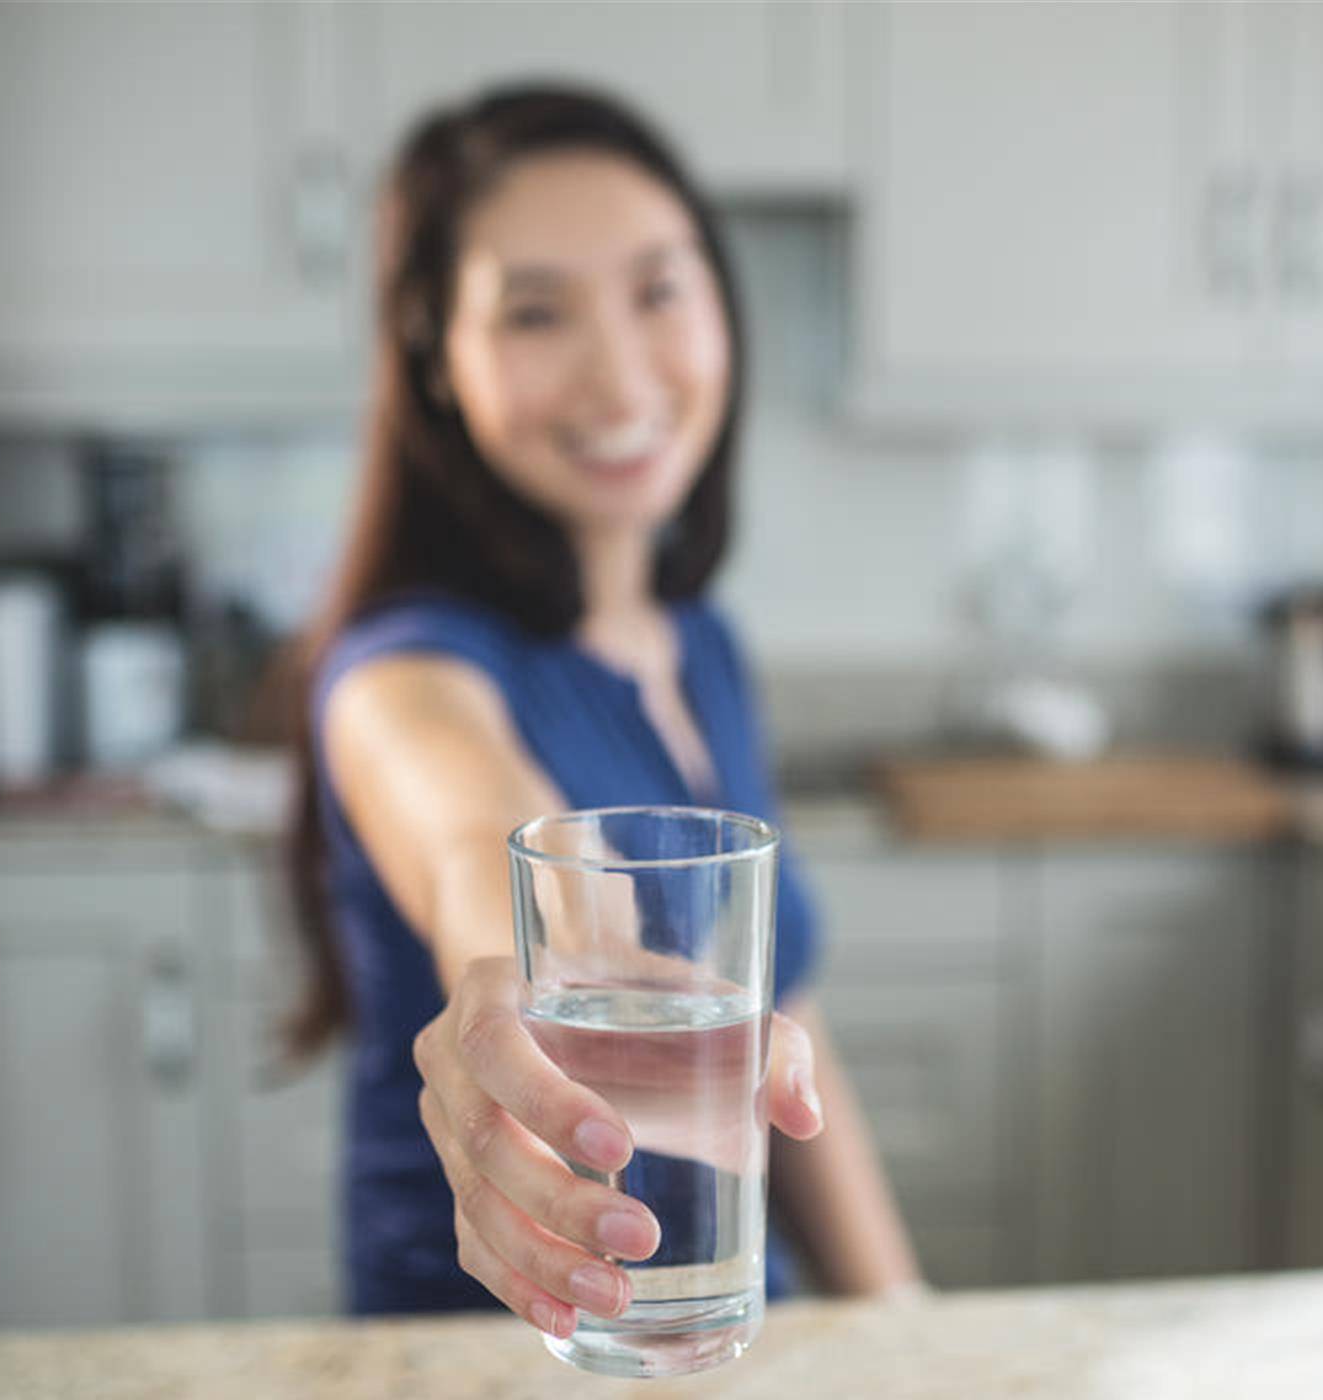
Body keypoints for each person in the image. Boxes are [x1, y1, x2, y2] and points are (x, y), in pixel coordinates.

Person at [281, 84, 925, 1336]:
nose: (618, 370)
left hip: (736, 1341)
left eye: (658, 290)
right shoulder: (400, 674)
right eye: (534, 313)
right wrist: (543, 972)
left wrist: (908, 1320)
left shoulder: (703, 646)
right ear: (437, 361)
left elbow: (780, 1027)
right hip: (502, 1348)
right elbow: (477, 836)